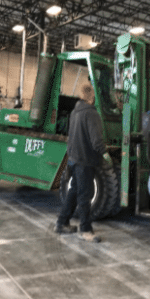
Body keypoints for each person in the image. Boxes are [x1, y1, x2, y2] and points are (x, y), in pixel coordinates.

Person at [54, 82, 112, 243]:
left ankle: (61, 223)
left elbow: (70, 136)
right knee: (84, 195)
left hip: (73, 158)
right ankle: (85, 230)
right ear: (92, 98)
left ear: (80, 96)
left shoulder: (75, 112)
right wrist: (105, 153)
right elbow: (96, 140)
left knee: (73, 192)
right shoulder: (91, 114)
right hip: (85, 160)